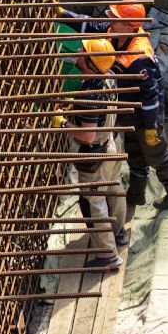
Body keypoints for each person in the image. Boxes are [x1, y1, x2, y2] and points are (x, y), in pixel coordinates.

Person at [103, 1, 168, 212]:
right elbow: (88, 25)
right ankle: (137, 194)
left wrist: (150, 127)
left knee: (157, 155)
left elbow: (150, 98)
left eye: (115, 18)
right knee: (134, 154)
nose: (110, 20)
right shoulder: (116, 33)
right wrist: (63, 13)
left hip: (146, 116)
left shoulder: (139, 58)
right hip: (128, 112)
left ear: (129, 26)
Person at [51, 32, 126, 270]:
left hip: (95, 155)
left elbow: (87, 134)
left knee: (95, 203)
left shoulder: (89, 95)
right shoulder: (109, 76)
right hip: (113, 144)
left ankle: (107, 255)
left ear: (92, 63)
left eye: (84, 52)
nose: (79, 53)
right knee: (114, 188)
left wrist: (63, 123)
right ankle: (118, 232)